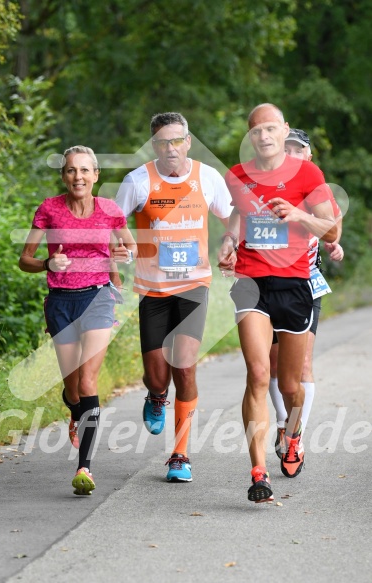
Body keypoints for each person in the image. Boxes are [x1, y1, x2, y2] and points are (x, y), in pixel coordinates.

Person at [218, 103, 337, 503]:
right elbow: (236, 213)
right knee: (256, 373)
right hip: (252, 282)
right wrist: (230, 240)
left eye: (271, 129)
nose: (264, 136)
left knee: (290, 385)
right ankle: (258, 472)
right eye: (256, 131)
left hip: (294, 285)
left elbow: (331, 226)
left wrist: (299, 217)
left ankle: (294, 430)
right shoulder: (237, 175)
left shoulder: (308, 173)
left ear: (283, 130)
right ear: (250, 137)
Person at [116, 112, 231, 482]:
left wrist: (231, 242)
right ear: (154, 145)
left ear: (188, 142)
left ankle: (180, 454)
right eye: (163, 142)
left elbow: (235, 216)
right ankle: (155, 397)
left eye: (176, 141)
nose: (171, 148)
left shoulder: (207, 178)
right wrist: (123, 253)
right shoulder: (138, 181)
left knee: (185, 366)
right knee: (157, 377)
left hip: (194, 286)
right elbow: (112, 224)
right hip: (153, 289)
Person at [19, 145, 137, 495]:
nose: (78, 177)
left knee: (88, 382)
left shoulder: (110, 211)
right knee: (73, 389)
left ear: (96, 175)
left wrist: (124, 254)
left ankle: (85, 467)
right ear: (64, 176)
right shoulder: (49, 209)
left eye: (85, 170)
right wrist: (46, 264)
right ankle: (73, 408)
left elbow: (133, 249)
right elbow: (25, 258)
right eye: (71, 171)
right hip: (60, 303)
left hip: (99, 297)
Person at [269, 128, 344, 457]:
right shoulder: (267, 185)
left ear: (309, 156)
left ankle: (294, 439)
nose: (292, 154)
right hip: (267, 282)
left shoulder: (317, 187)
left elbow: (330, 228)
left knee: (301, 365)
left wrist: (333, 245)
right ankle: (284, 421)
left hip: (306, 282)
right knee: (273, 366)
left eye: (298, 150)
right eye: (287, 149)